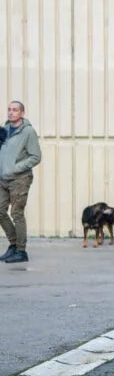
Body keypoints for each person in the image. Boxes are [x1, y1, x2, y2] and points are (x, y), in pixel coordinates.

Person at [0, 101, 42, 263]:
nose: (11, 112)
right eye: (9, 110)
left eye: (15, 110)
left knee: (17, 214)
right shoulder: (4, 129)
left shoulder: (28, 131)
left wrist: (15, 168)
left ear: (22, 113)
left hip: (20, 179)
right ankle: (13, 245)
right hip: (3, 178)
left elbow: (36, 156)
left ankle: (21, 251)